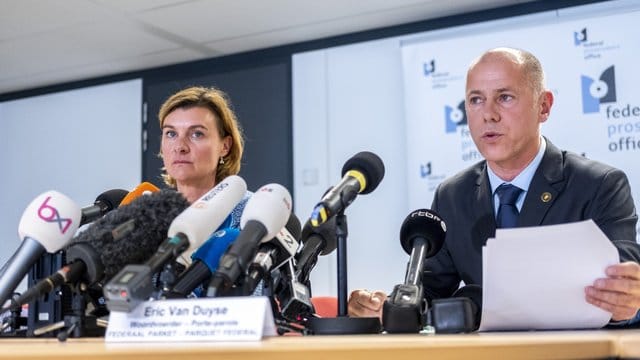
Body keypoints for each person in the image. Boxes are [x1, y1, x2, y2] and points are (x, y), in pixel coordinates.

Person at [348, 47, 640, 325]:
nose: (488, 114)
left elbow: (626, 286)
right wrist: (387, 308)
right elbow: (431, 295)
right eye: (476, 100)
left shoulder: (599, 185)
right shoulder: (452, 195)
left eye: (505, 97)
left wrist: (627, 301)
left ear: (544, 106)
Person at [158, 85, 249, 229]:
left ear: (225, 146)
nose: (180, 147)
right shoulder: (153, 217)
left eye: (197, 134)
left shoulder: (254, 213)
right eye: (171, 134)